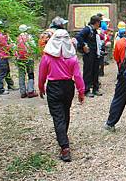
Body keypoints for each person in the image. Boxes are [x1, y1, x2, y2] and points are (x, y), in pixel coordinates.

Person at [38, 29, 85, 162]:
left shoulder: (47, 57)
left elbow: (42, 75)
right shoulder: (72, 58)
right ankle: (63, 137)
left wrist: (41, 88)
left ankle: (64, 147)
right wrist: (81, 91)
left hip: (54, 87)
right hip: (68, 87)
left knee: (58, 116)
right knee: (65, 113)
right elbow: (77, 76)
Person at [76, 15, 102, 97]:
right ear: (97, 22)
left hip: (95, 53)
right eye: (99, 22)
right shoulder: (87, 29)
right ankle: (86, 90)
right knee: (88, 72)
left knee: (95, 71)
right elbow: (78, 36)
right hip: (88, 54)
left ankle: (95, 89)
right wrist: (84, 45)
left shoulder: (94, 30)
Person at [16, 24, 38, 98]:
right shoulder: (29, 37)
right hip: (29, 58)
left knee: (21, 74)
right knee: (30, 74)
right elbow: (34, 46)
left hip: (20, 59)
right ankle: (30, 91)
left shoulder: (17, 38)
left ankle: (22, 92)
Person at [0, 23, 16, 95]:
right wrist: (12, 45)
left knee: (7, 71)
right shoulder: (0, 36)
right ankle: (0, 89)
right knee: (2, 72)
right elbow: (6, 47)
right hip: (1, 57)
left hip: (5, 56)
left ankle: (10, 85)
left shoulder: (5, 35)